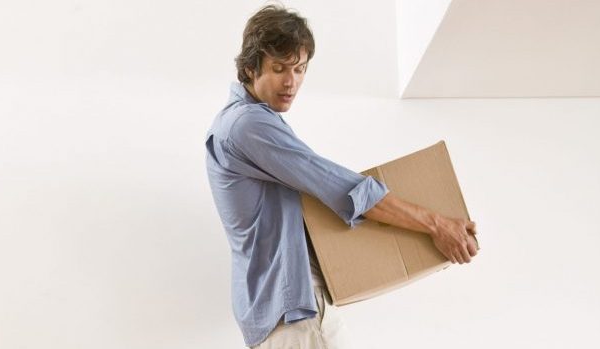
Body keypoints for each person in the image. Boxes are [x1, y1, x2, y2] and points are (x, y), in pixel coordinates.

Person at [204, 4, 478, 348]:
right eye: (278, 68)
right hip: (294, 316)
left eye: (300, 69)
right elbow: (341, 189)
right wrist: (437, 224)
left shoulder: (238, 123)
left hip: (279, 314)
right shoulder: (250, 125)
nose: (291, 82)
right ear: (249, 68)